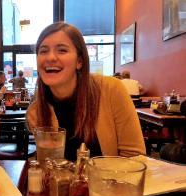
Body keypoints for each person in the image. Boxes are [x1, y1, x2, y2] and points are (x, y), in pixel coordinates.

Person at [26, 22, 146, 161]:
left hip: (112, 182)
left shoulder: (111, 90)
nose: (50, 57)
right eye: (43, 51)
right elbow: (47, 167)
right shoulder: (36, 112)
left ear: (80, 61)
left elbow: (134, 158)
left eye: (62, 50)